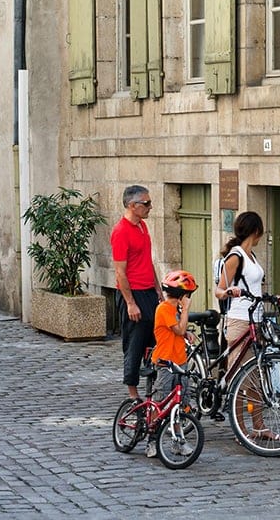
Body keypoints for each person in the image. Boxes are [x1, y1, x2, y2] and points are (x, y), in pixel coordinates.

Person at [214, 211, 280, 442]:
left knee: (256, 374)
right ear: (257, 230)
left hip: (256, 320)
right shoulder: (236, 256)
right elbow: (219, 289)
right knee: (240, 378)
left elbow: (254, 287)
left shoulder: (251, 255)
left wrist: (271, 297)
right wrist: (228, 292)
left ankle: (259, 427)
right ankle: (240, 428)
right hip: (239, 320)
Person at [111, 184, 163, 400]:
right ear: (132, 205)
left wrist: (158, 290)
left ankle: (152, 394)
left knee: (155, 344)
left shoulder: (142, 227)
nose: (150, 207)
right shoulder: (121, 232)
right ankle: (133, 397)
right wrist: (130, 303)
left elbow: (147, 261)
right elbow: (120, 272)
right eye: (146, 203)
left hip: (149, 292)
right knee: (134, 344)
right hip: (133, 295)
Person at [146, 270, 198, 457]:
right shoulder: (164, 309)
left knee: (179, 404)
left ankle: (178, 441)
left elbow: (179, 331)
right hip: (165, 363)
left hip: (180, 362)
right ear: (183, 295)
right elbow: (178, 328)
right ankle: (151, 440)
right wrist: (185, 310)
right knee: (159, 402)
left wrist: (187, 334)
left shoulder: (174, 310)